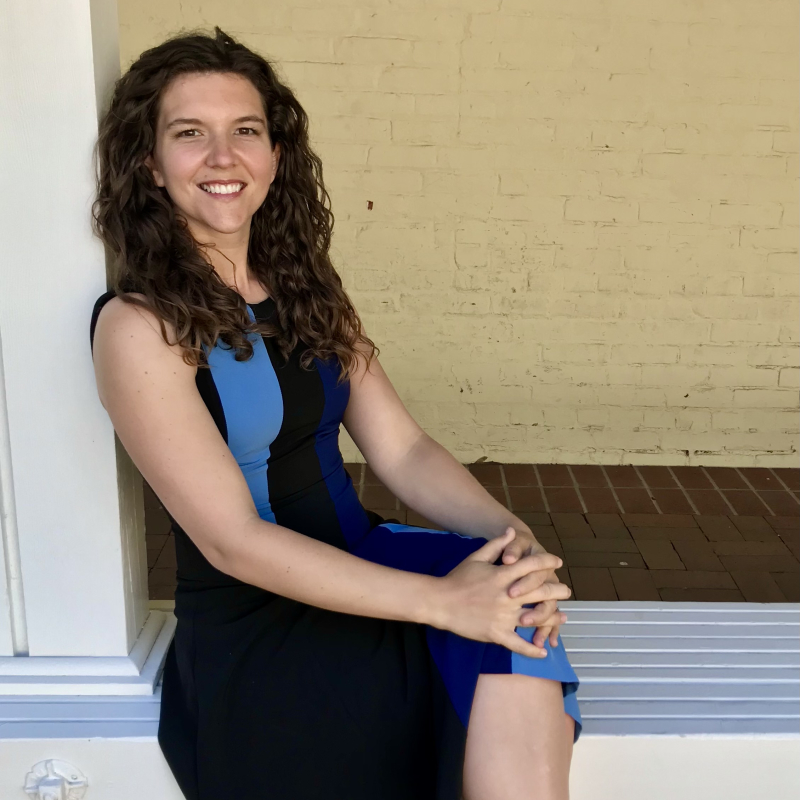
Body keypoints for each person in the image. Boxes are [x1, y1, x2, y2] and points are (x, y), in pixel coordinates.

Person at [88, 26, 581, 800]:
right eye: (190, 134)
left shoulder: (304, 285)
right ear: (149, 163)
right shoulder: (140, 326)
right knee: (476, 630)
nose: (223, 157)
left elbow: (404, 449)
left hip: (369, 557)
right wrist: (445, 603)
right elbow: (232, 542)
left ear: (275, 153)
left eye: (245, 131)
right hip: (260, 616)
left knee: (517, 614)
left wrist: (515, 543)